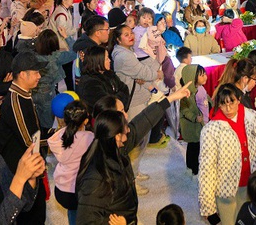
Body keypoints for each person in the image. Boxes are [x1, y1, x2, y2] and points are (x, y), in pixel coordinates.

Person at [74, 82, 192, 224]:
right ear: (117, 134)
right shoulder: (95, 178)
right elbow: (86, 221)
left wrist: (170, 99)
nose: (128, 128)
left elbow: (140, 123)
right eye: (123, 111)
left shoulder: (114, 146)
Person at [198, 83, 256, 225]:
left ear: (239, 99)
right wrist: (208, 206)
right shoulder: (211, 129)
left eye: (232, 102)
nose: (228, 108)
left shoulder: (252, 117)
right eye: (224, 104)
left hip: (250, 185)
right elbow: (207, 168)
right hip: (225, 190)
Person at [0, 51, 45, 225]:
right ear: (23, 75)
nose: (39, 76)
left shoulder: (25, 94)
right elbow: (29, 141)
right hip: (18, 167)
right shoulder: (15, 100)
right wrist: (59, 138)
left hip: (28, 163)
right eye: (36, 72)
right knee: (30, 214)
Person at [48, 100, 92, 225]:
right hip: (79, 189)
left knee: (72, 213)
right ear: (85, 120)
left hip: (61, 190)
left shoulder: (58, 137)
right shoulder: (89, 138)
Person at [76, 44, 131, 116]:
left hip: (116, 118)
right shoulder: (90, 83)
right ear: (98, 61)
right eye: (107, 58)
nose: (110, 61)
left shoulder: (108, 73)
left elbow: (124, 89)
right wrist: (118, 98)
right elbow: (107, 105)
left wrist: (115, 98)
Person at [179, 63, 208, 175]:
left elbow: (206, 98)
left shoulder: (200, 88)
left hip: (202, 122)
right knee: (193, 147)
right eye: (201, 75)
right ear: (192, 77)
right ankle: (192, 168)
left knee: (199, 145)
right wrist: (195, 118)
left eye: (204, 74)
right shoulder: (187, 93)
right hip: (193, 125)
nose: (205, 77)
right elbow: (184, 110)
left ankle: (196, 166)